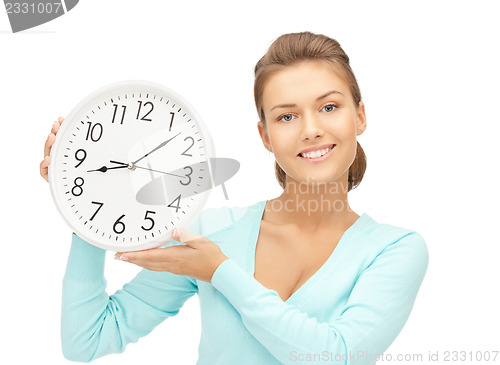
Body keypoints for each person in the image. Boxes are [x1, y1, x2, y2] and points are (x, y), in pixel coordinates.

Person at [40, 31, 429, 364]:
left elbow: (336, 355)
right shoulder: (213, 232)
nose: (310, 129)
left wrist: (220, 273)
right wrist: (84, 204)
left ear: (359, 116)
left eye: (329, 107)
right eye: (286, 116)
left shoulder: (394, 250)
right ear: (265, 136)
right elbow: (86, 341)